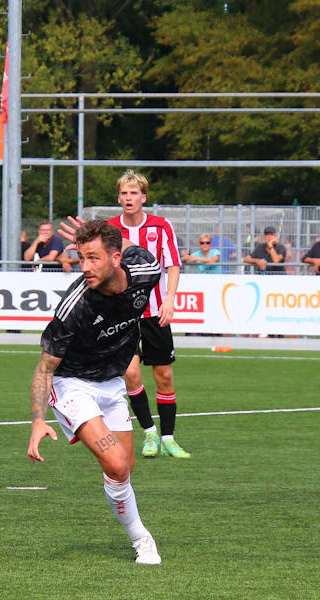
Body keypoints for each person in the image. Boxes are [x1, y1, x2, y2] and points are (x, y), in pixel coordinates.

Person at [28, 220, 163, 565]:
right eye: (81, 258)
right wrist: (38, 421)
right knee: (116, 464)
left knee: (124, 469)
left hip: (111, 382)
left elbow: (132, 247)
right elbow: (45, 368)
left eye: (93, 258)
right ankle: (142, 540)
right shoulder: (75, 306)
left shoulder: (146, 270)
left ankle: (118, 495)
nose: (84, 267)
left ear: (116, 258)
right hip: (71, 384)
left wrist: (105, 231)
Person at [106, 170, 189, 459]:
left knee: (164, 376)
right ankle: (149, 433)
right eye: (124, 193)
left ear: (143, 197)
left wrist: (170, 299)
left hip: (155, 312)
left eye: (134, 193)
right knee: (130, 373)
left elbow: (173, 265)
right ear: (119, 198)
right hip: (124, 315)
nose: (129, 198)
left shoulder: (161, 226)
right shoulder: (110, 229)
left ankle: (169, 438)